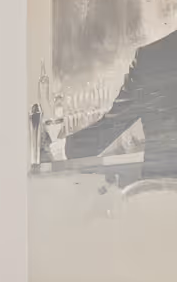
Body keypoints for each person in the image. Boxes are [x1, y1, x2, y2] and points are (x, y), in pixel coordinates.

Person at [65, 28, 177, 178]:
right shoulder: (153, 55)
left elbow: (115, 122)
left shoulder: (153, 56)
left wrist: (69, 146)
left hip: (163, 189)